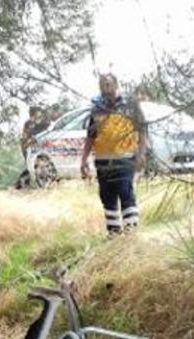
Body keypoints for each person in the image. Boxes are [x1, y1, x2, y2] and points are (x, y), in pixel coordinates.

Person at [80, 73, 147, 234]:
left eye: (108, 84)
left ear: (116, 85)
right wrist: (84, 160)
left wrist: (141, 154)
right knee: (107, 199)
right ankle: (114, 235)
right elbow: (91, 136)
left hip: (125, 161)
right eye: (102, 85)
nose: (105, 88)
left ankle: (131, 235)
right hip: (103, 163)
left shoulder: (130, 105)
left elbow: (142, 130)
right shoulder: (97, 109)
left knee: (126, 195)